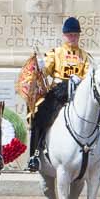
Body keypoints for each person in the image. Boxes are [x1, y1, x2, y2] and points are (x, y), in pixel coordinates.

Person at [26, 16, 89, 171]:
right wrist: (40, 66)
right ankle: (35, 153)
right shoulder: (57, 52)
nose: (73, 38)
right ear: (64, 35)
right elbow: (46, 69)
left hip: (77, 93)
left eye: (75, 35)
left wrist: (80, 79)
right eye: (70, 35)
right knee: (40, 114)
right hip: (59, 93)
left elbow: (88, 75)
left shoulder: (84, 55)